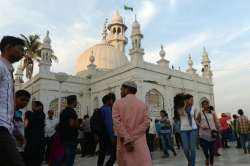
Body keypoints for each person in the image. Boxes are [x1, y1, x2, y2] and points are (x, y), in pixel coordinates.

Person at [0, 36, 26, 166]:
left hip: (6, 128)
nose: (23, 53)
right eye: (20, 49)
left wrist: (16, 133)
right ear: (7, 48)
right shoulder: (1, 66)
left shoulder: (8, 70)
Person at [112, 81, 152, 166]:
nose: (121, 92)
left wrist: (127, 139)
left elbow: (117, 123)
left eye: (122, 89)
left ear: (127, 89)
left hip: (125, 144)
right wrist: (132, 136)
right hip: (139, 143)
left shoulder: (117, 103)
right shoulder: (143, 105)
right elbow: (147, 122)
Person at [175, 94, 198, 166]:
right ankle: (190, 160)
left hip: (193, 129)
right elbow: (181, 113)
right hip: (184, 130)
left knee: (192, 148)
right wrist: (184, 104)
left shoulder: (194, 108)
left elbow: (194, 118)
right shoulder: (179, 107)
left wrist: (200, 125)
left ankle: (192, 164)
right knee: (185, 149)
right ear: (186, 100)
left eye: (192, 100)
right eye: (191, 100)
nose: (192, 101)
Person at [56, 95, 79, 166]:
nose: (77, 103)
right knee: (69, 158)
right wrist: (79, 125)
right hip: (70, 138)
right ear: (73, 101)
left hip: (64, 137)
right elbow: (71, 124)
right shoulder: (71, 112)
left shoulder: (63, 111)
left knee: (64, 156)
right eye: (76, 101)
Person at [196, 100, 219, 166]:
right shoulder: (200, 113)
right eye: (204, 104)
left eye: (207, 104)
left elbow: (216, 122)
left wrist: (218, 131)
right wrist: (201, 125)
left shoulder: (212, 113)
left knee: (212, 151)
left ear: (208, 105)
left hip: (212, 134)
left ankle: (211, 163)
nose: (206, 105)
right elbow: (197, 121)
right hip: (203, 134)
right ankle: (207, 158)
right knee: (205, 150)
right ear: (202, 106)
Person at [24, 101, 46, 166]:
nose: (32, 107)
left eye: (34, 105)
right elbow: (26, 126)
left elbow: (26, 125)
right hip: (31, 142)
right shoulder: (31, 114)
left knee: (35, 160)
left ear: (40, 107)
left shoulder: (40, 115)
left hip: (37, 143)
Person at [98, 93, 117, 166]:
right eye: (112, 100)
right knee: (115, 154)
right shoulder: (107, 109)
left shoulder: (101, 109)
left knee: (102, 154)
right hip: (107, 136)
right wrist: (112, 137)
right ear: (109, 101)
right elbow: (109, 124)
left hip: (102, 135)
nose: (113, 102)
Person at [14, 90, 31, 157]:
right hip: (11, 146)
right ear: (14, 98)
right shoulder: (10, 111)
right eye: (22, 99)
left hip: (18, 146)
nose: (25, 102)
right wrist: (21, 137)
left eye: (27, 101)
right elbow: (12, 126)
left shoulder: (18, 112)